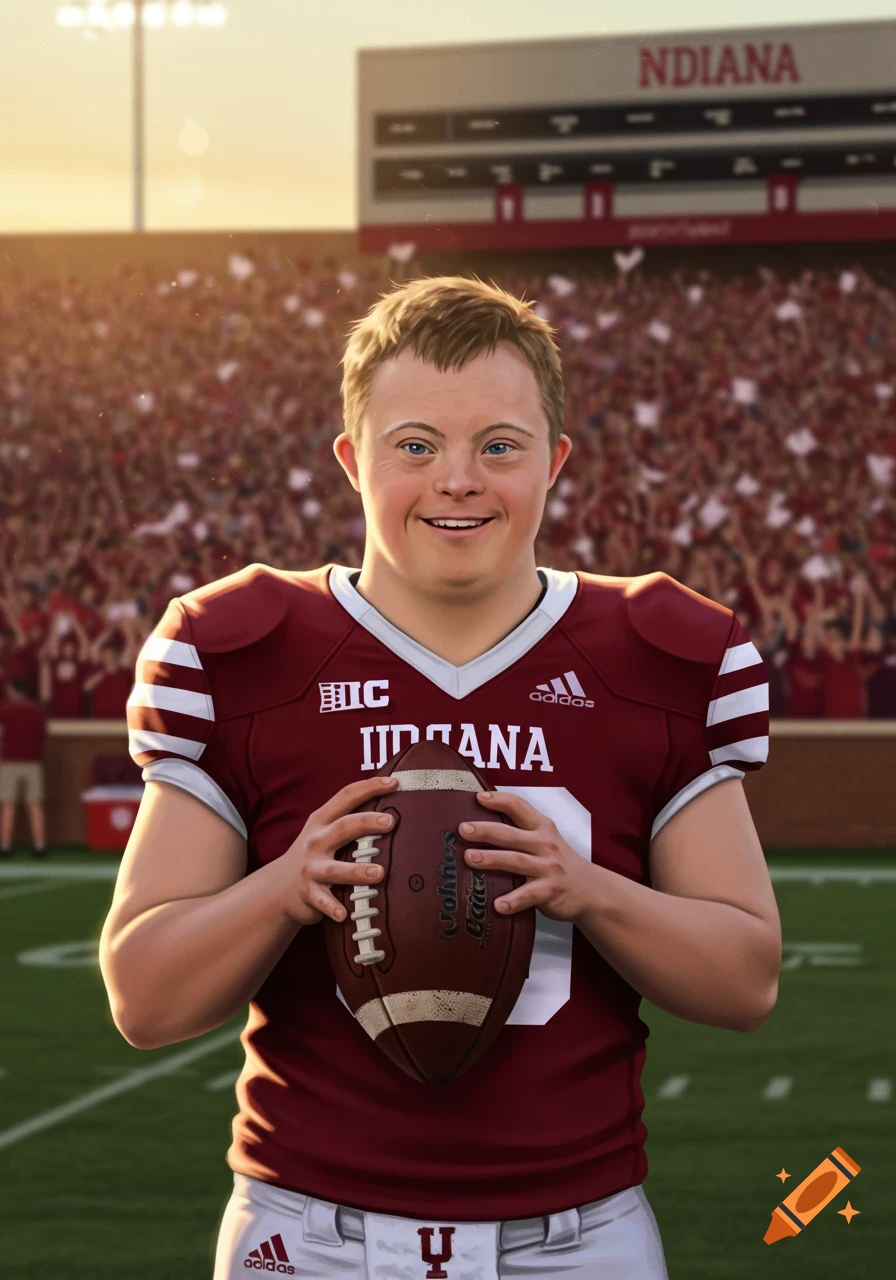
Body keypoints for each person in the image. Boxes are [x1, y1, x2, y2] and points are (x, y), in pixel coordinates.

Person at [100, 275, 780, 1279]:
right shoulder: (237, 651)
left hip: (575, 1237)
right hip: (308, 1236)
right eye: (413, 444)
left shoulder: (657, 654)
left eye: (497, 446)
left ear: (552, 462)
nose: (456, 479)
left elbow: (743, 977)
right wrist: (284, 885)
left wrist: (585, 888)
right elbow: (143, 995)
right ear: (350, 460)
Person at [0, 675, 48, 858]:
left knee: (8, 805)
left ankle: (5, 846)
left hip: (9, 762)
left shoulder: (4, 710)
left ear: (11, 690)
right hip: (33, 762)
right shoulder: (36, 710)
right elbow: (43, 736)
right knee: (35, 805)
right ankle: (40, 846)